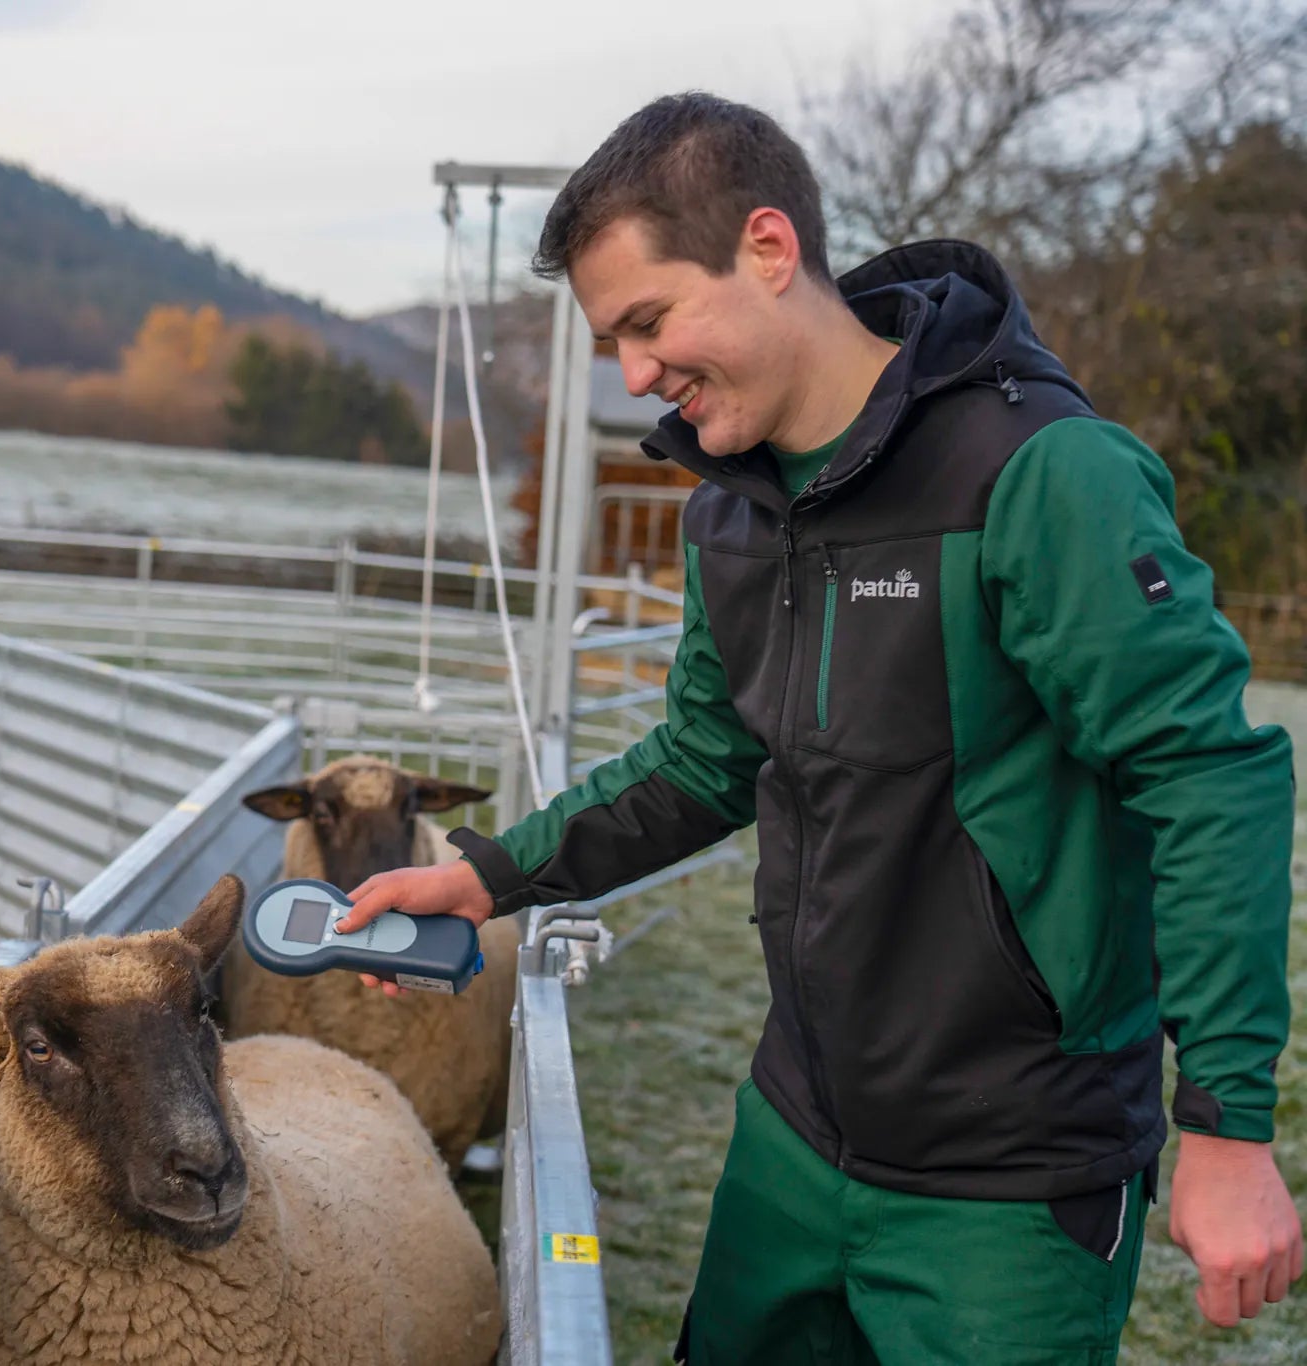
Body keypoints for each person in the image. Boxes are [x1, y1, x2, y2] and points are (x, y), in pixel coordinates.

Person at [338, 91, 1303, 1363]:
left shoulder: (1036, 474)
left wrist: (1228, 1125)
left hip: (1008, 1184)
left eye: (647, 321)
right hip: (794, 1135)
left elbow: (1206, 777)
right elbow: (700, 758)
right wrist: (483, 875)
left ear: (768, 251)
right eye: (611, 340)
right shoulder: (730, 516)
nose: (633, 375)